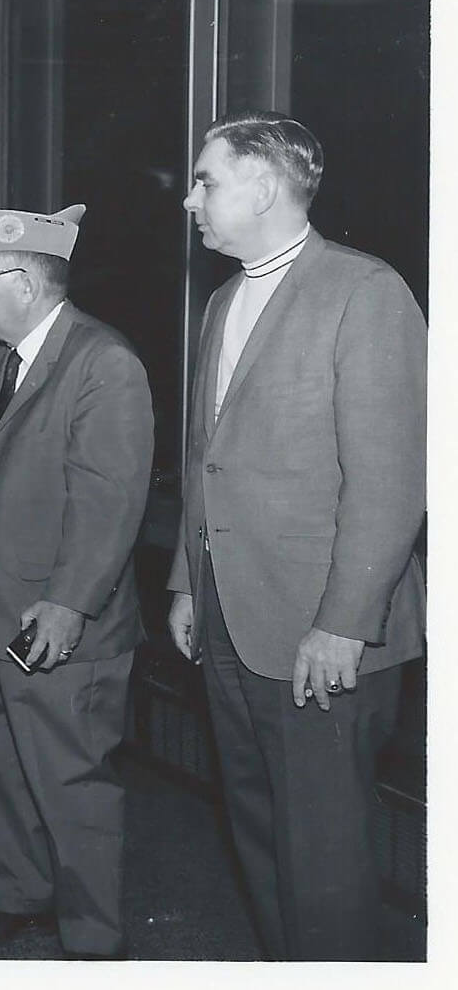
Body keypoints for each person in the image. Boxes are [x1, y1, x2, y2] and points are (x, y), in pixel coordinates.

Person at [167, 111, 425, 960]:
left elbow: (392, 482)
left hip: (323, 632)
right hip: (233, 620)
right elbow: (208, 457)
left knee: (326, 859)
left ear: (264, 186)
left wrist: (344, 622)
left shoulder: (365, 291)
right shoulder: (221, 303)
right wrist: (183, 582)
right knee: (260, 838)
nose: (191, 200)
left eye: (206, 180)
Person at [0, 193, 153, 959]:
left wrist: (68, 604)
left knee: (71, 779)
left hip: (54, 616)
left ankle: (93, 939)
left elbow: (111, 500)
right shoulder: (4, 359)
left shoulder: (103, 362)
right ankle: (23, 895)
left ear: (25, 284)